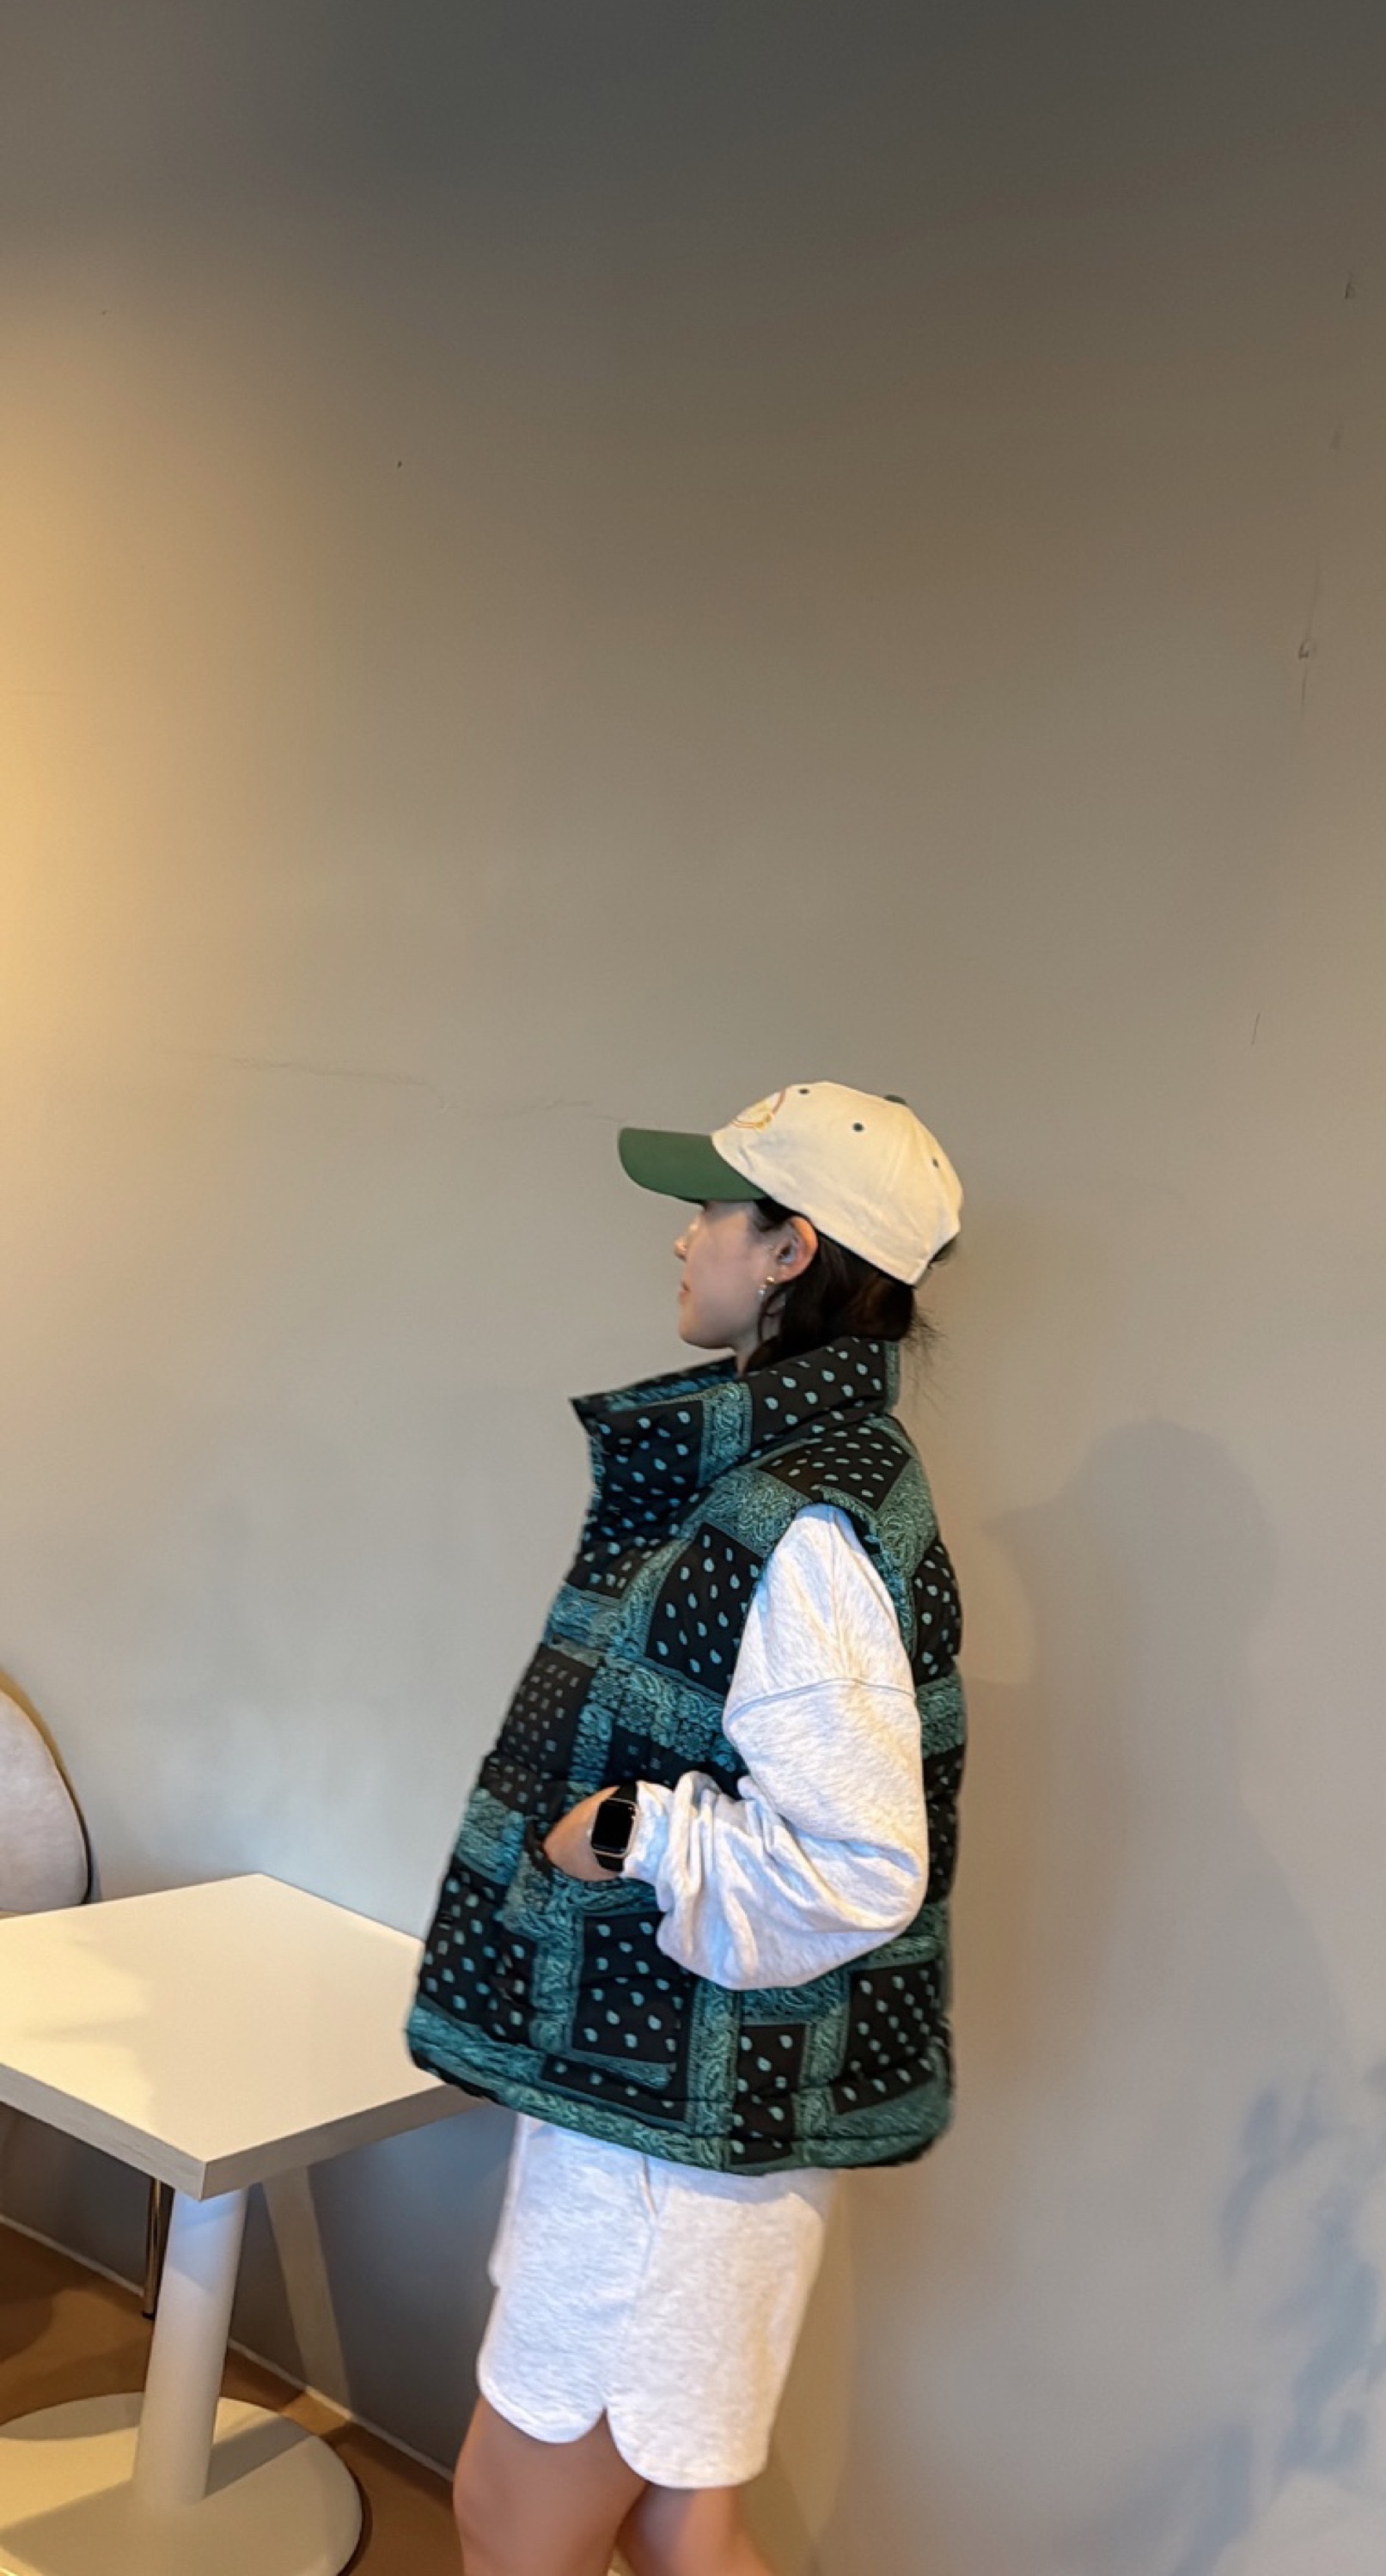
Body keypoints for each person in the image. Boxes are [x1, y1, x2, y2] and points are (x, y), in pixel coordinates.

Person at [406, 1081, 967, 2576]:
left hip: (670, 2148)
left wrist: (631, 1836)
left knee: (512, 2520)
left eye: (711, 1210)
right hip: (677, 2116)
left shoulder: (806, 1517)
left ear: (789, 1251)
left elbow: (864, 1867)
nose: (683, 1238)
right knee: (678, 2526)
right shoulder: (782, 1477)